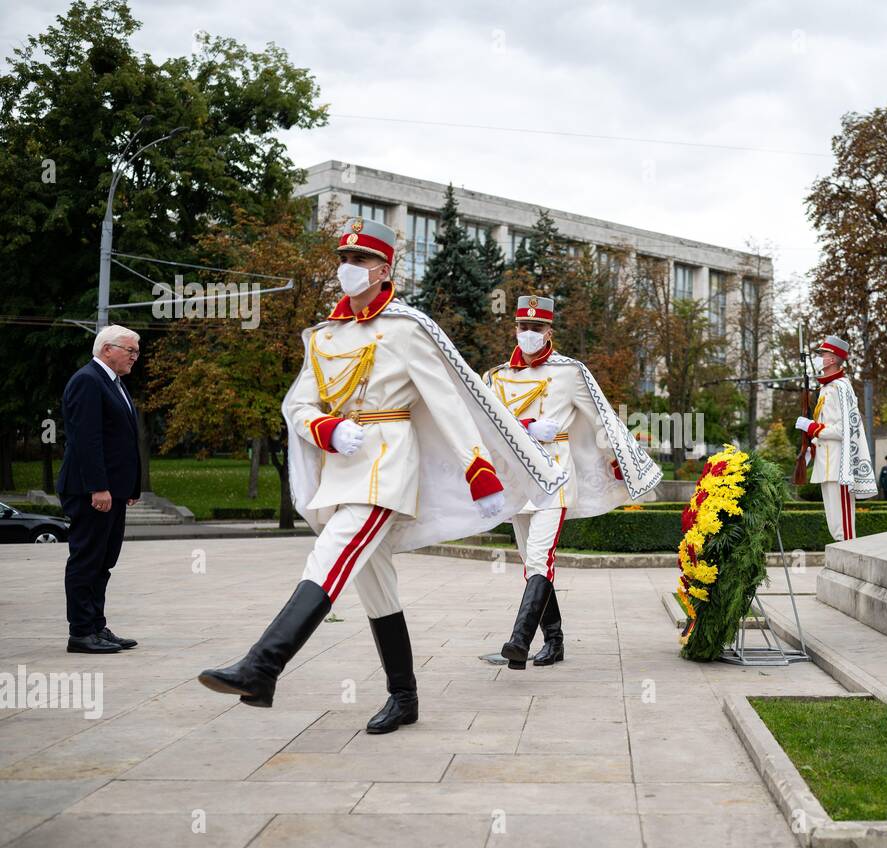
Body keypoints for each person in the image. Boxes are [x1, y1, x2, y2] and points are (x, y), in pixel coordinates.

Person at [199, 219, 565, 731]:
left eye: (358, 260)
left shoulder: (405, 328)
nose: (347, 269)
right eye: (342, 259)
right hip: (340, 467)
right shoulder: (324, 335)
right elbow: (298, 404)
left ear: (383, 269)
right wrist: (324, 428)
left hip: (385, 468)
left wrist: (479, 470)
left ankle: (263, 666)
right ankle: (405, 697)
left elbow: (450, 404)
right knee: (376, 587)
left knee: (331, 556)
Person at [484, 295, 660, 669]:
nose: (529, 334)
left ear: (550, 331)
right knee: (529, 560)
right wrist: (528, 427)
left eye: (536, 328)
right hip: (517, 480)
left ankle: (519, 641)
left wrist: (618, 459)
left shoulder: (570, 371)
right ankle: (555, 640)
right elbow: (486, 426)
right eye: (523, 327)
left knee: (539, 556)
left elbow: (601, 418)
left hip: (555, 475)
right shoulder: (496, 377)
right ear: (514, 328)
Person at [57, 325, 143, 654]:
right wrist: (99, 487)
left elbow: (121, 441)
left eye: (136, 351)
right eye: (129, 350)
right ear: (107, 349)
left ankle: (96, 625)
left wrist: (128, 488)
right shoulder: (87, 380)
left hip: (113, 491)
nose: (135, 356)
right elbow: (86, 439)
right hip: (90, 490)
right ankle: (80, 631)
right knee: (87, 559)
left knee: (104, 561)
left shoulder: (114, 383)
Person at [793, 334, 877, 542]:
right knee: (833, 521)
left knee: (844, 525)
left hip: (840, 464)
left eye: (823, 354)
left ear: (832, 359)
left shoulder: (841, 387)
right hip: (826, 463)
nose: (820, 358)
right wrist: (809, 450)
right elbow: (827, 427)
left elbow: (844, 429)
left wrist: (812, 427)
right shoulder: (826, 389)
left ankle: (849, 556)